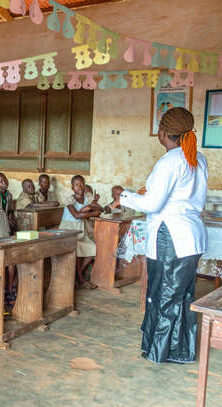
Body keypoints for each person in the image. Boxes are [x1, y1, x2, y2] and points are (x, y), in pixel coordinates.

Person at [119, 107, 208, 364]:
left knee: (163, 294)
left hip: (171, 237)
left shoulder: (169, 161)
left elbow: (152, 204)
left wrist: (125, 196)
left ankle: (159, 351)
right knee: (182, 295)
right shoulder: (198, 158)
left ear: (163, 133)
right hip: (191, 237)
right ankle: (181, 350)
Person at [59, 175, 103, 289]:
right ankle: (80, 280)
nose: (80, 187)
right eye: (77, 185)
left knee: (93, 248)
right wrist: (92, 213)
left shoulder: (88, 197)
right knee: (78, 250)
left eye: (82, 184)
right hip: (68, 230)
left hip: (81, 229)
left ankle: (77, 276)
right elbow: (77, 215)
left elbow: (99, 209)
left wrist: (91, 207)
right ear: (72, 187)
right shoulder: (69, 199)